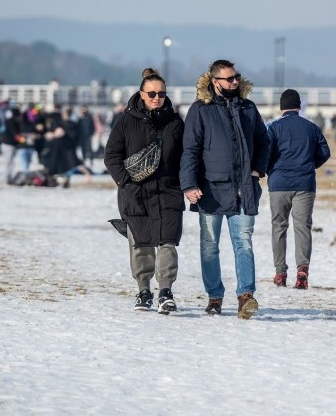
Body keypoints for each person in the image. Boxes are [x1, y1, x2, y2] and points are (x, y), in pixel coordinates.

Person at [180, 59, 270, 319]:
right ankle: (214, 296)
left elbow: (264, 140)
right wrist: (189, 184)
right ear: (214, 82)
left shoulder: (248, 108)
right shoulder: (200, 110)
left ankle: (246, 297)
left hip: (244, 188)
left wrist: (258, 169)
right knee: (209, 245)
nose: (234, 82)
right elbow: (190, 150)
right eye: (229, 79)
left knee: (244, 242)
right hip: (210, 190)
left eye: (236, 77)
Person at [105, 68, 185, 313]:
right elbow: (111, 156)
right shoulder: (126, 121)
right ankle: (143, 290)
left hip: (168, 192)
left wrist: (186, 184)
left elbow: (187, 156)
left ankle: (165, 291)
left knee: (168, 243)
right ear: (141, 94)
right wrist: (126, 183)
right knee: (141, 244)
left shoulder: (175, 122)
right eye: (151, 93)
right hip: (136, 193)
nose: (156, 97)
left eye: (161, 93)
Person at [266, 89, 331, 289]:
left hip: (279, 184)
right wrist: (311, 165)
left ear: (281, 107)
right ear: (299, 106)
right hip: (305, 184)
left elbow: (265, 153)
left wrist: (271, 170)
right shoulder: (311, 128)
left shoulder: (274, 128)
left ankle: (280, 272)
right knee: (302, 227)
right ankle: (302, 268)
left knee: (279, 227)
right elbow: (324, 152)